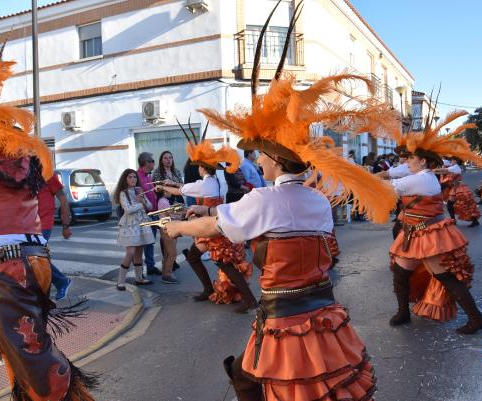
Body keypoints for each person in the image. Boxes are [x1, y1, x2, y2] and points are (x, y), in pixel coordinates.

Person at [167, 11, 400, 395]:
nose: (258, 161)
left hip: (283, 314)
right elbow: (250, 219)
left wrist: (177, 227)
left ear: (275, 160)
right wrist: (207, 210)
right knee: (312, 379)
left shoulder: (265, 199)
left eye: (261, 155)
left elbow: (216, 227)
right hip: (321, 309)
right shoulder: (317, 201)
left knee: (267, 379)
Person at [0, 18, 96, 399]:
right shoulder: (24, 157)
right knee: (21, 349)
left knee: (30, 354)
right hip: (34, 260)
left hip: (6, 268)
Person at [386, 112, 482, 335]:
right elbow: (397, 172)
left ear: (422, 161)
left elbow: (389, 186)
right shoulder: (422, 174)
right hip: (413, 233)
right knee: (400, 273)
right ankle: (403, 312)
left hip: (428, 235)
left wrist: (358, 177)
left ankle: (476, 318)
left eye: (411, 158)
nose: (407, 162)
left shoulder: (421, 179)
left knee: (445, 277)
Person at [159, 130, 256, 313]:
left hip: (211, 228)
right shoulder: (216, 182)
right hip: (214, 224)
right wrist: (170, 183)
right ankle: (209, 289)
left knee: (224, 263)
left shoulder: (204, 184)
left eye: (198, 166)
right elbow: (185, 187)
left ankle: (249, 299)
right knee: (197, 257)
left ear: (201, 168)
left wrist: (162, 186)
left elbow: (181, 191)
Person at [114, 169, 155, 290]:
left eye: (135, 177)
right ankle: (120, 281)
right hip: (130, 225)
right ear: (125, 179)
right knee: (130, 252)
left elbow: (150, 206)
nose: (133, 179)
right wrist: (140, 204)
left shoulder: (139, 191)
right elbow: (128, 210)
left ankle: (139, 278)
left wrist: (143, 199)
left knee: (139, 253)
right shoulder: (123, 193)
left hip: (142, 223)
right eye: (130, 177)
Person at [38, 175, 73, 300]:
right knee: (33, 258)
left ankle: (61, 281)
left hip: (43, 224)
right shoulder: (23, 171)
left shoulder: (47, 174)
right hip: (27, 223)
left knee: (37, 257)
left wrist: (66, 226)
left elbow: (63, 199)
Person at [152, 150, 183, 272]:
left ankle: (172, 258)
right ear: (161, 160)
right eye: (165, 158)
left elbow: (182, 185)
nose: (168, 160)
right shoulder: (158, 172)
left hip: (177, 201)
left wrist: (174, 184)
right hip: (164, 201)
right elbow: (156, 189)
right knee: (165, 233)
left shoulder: (176, 171)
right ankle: (168, 259)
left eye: (170, 157)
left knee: (175, 233)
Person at [433, 156, 482, 227]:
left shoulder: (455, 167)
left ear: (455, 161)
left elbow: (445, 170)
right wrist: (435, 171)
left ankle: (455, 220)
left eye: (452, 161)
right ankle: (456, 220)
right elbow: (444, 171)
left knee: (461, 206)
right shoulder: (454, 167)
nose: (451, 162)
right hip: (456, 188)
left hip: (459, 189)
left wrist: (433, 170)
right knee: (458, 205)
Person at [137, 152, 160, 276]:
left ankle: (150, 267)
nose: (154, 163)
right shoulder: (137, 176)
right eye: (152, 161)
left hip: (153, 213)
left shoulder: (148, 176)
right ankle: (140, 271)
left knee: (150, 241)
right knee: (143, 243)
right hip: (145, 215)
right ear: (146, 163)